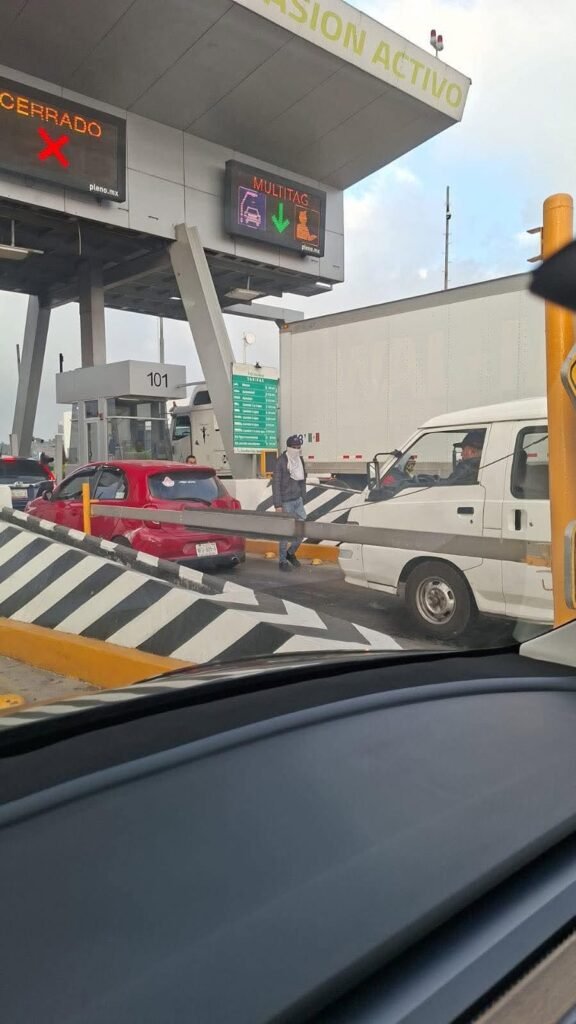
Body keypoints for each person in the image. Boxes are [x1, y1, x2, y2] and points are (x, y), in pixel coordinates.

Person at [272, 434, 307, 571]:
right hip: (285, 502)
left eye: (299, 447)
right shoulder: (281, 461)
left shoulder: (300, 461)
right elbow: (276, 483)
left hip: (298, 500)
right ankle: (282, 561)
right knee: (285, 533)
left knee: (302, 529)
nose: (297, 450)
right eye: (294, 447)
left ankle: (290, 553)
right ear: (289, 447)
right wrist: (278, 505)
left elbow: (303, 479)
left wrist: (303, 496)